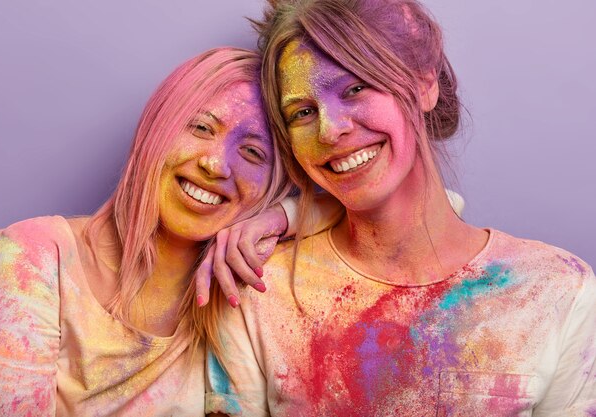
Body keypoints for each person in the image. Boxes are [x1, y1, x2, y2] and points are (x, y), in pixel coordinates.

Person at [204, 1, 596, 416]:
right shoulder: (259, 292)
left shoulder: (556, 291)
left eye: (354, 88)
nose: (330, 130)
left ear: (424, 83)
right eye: (302, 112)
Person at [0, 47, 295, 416]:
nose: (216, 165)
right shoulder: (34, 258)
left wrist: (283, 215)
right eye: (201, 127)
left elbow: (363, 210)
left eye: (253, 153)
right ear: (158, 127)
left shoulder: (244, 293)